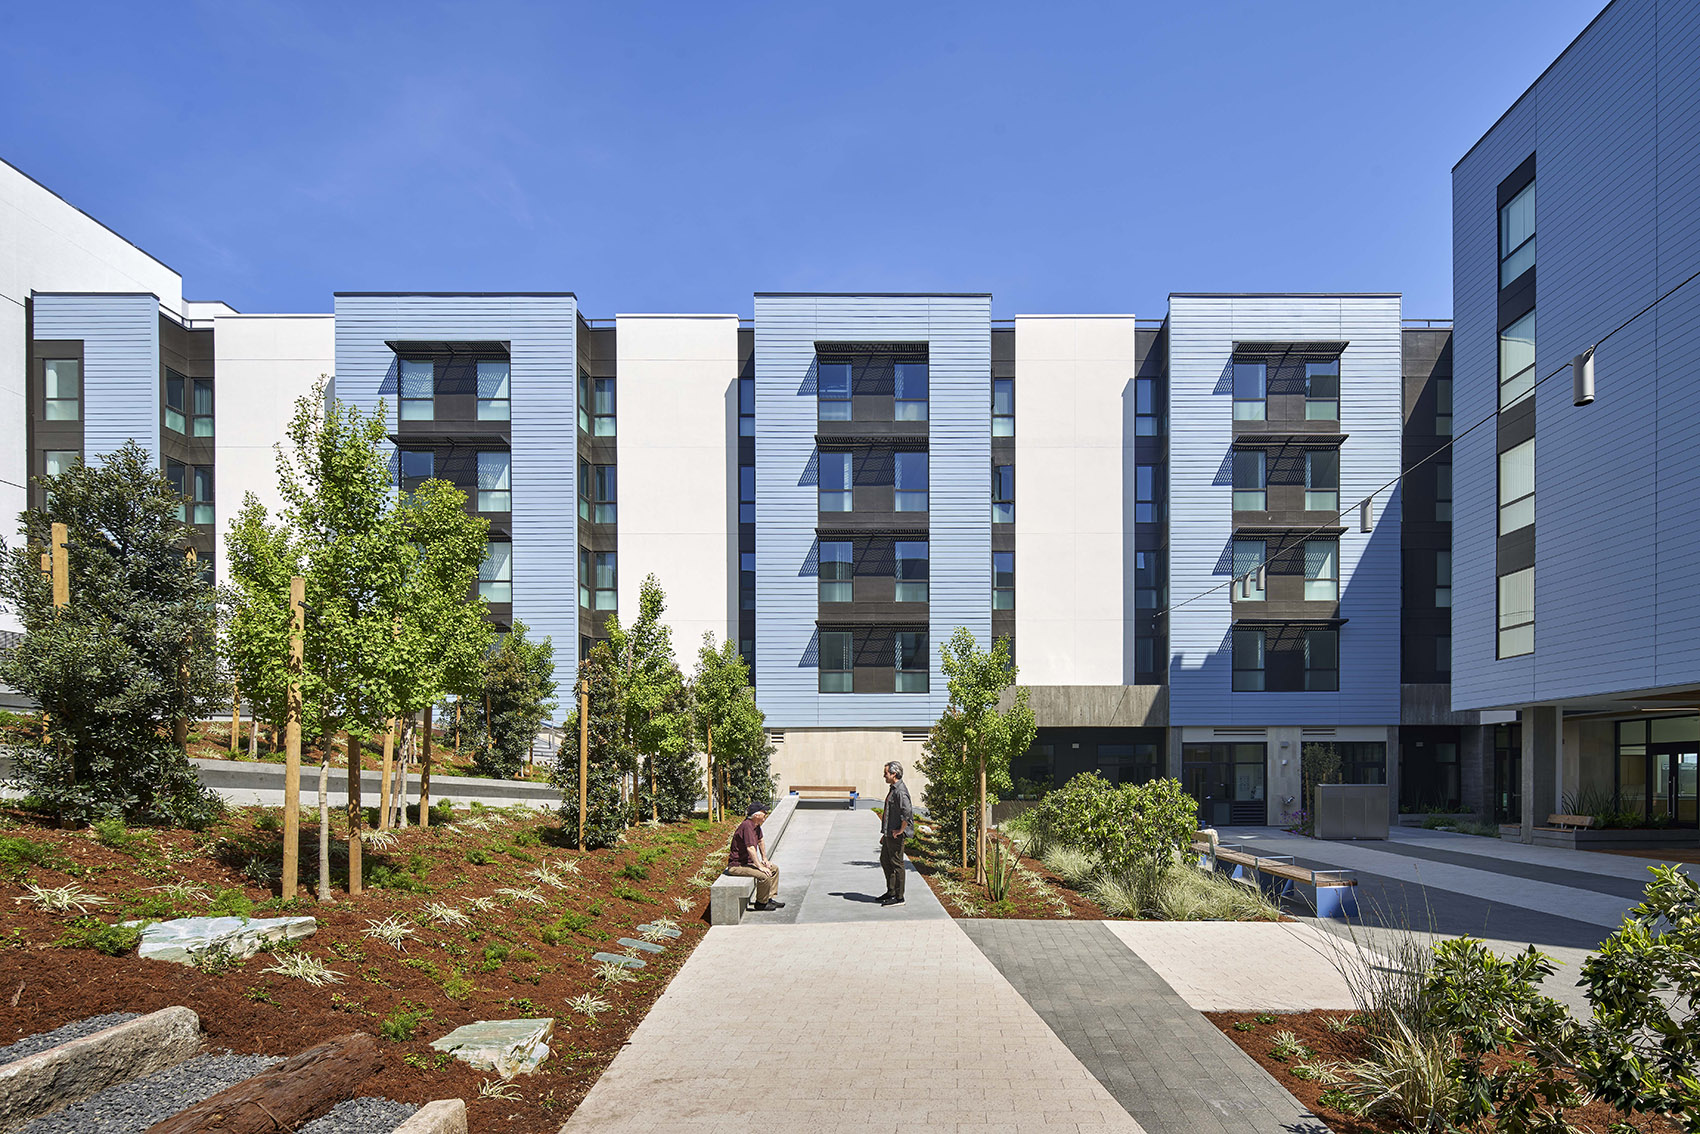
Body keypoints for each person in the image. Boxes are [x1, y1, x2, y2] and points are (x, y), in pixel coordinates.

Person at [726, 801, 783, 911]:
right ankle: (761, 903)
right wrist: (759, 866)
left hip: (747, 863)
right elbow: (750, 848)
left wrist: (765, 859)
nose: (766, 814)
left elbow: (760, 841)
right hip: (737, 866)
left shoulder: (756, 826)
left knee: (774, 869)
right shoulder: (747, 826)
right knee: (764, 876)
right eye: (764, 812)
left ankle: (768, 898)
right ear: (756, 815)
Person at [878, 761, 912, 906]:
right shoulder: (893, 789)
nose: (883, 775)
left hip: (896, 835)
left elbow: (907, 813)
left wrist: (901, 830)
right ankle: (891, 891)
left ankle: (899, 897)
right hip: (889, 834)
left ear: (894, 774)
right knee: (885, 860)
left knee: (897, 864)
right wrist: (885, 834)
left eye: (886, 773)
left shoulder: (900, 791)